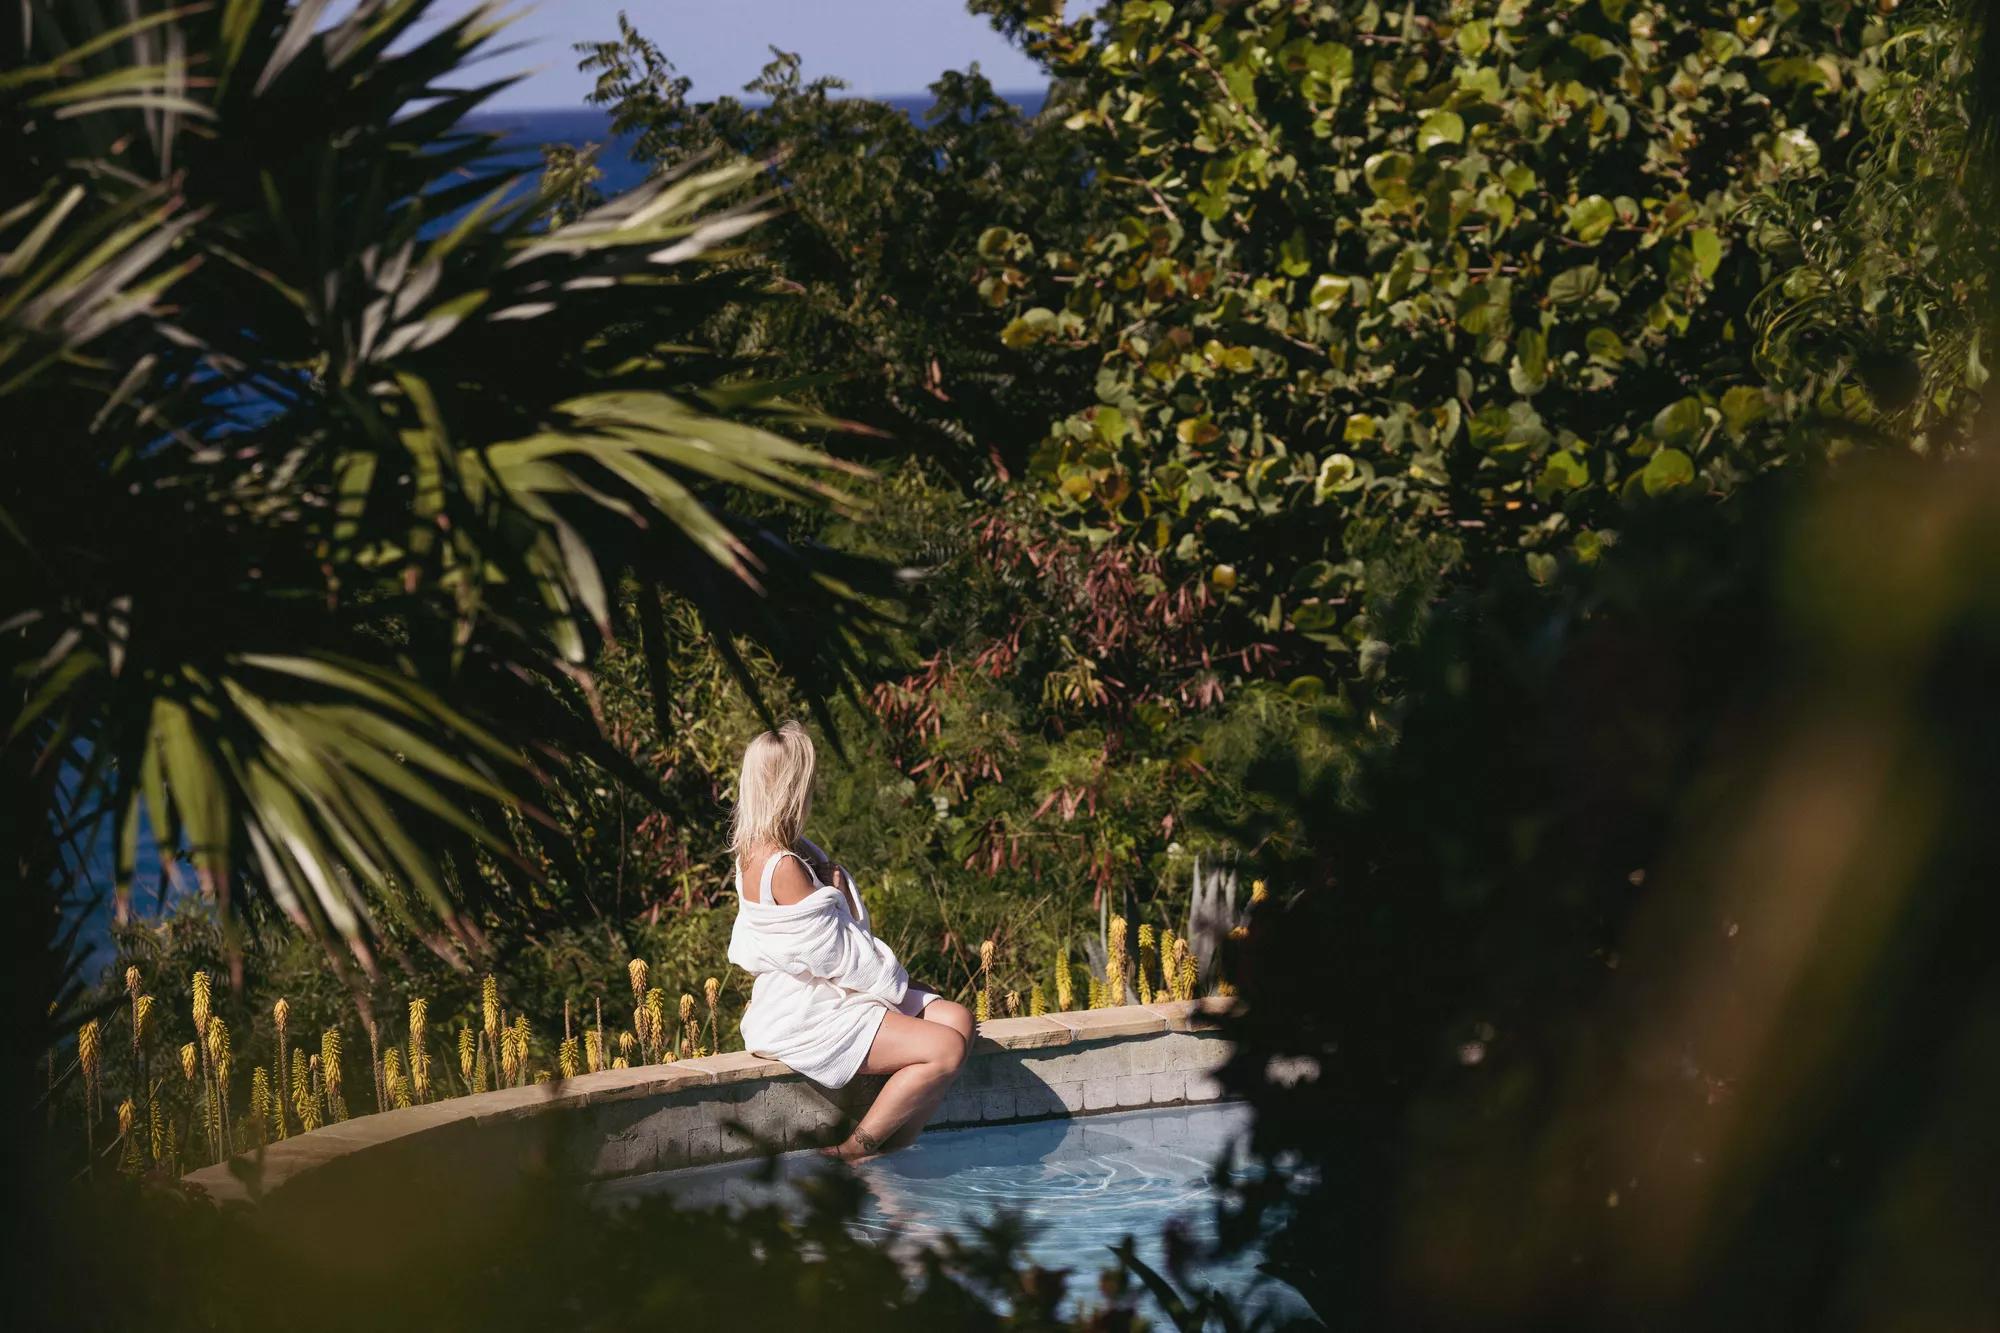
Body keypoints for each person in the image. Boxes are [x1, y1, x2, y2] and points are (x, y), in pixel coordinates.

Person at [724, 721, 974, 1159]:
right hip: (808, 1008)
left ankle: (899, 1143)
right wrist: (897, 983)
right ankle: (854, 1150)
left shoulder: (770, 848)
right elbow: (837, 955)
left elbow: (826, 944)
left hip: (822, 988)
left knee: (958, 1018)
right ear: (792, 786)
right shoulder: (783, 864)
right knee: (946, 1047)